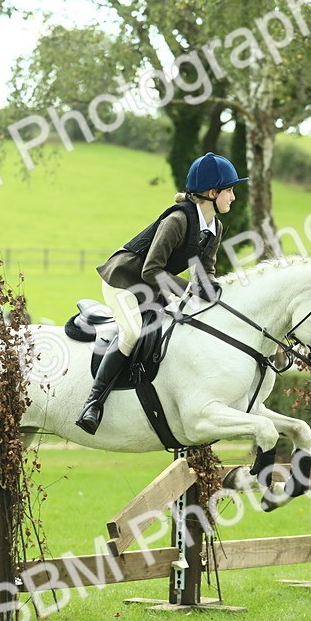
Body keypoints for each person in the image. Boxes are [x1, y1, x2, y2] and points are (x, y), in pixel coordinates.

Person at [76, 151, 242, 434]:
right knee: (132, 332)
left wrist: (215, 290)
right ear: (213, 193)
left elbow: (204, 272)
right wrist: (189, 289)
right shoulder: (177, 221)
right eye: (230, 190)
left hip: (154, 287)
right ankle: (93, 404)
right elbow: (150, 269)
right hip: (124, 281)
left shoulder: (215, 227)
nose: (233, 197)